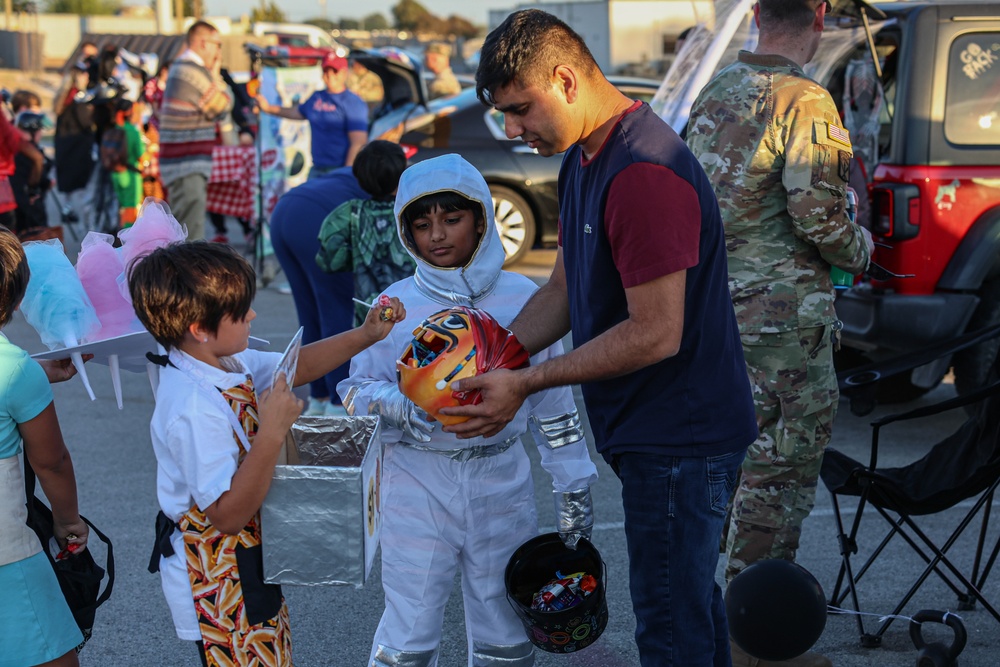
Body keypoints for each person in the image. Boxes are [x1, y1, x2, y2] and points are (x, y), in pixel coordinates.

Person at [452, 10, 758, 666]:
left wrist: (526, 381)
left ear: (565, 80)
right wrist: (492, 355)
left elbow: (656, 332)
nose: (512, 129)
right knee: (690, 607)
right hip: (652, 433)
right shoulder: (584, 159)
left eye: (519, 109)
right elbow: (565, 290)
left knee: (669, 624)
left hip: (682, 439)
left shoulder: (642, 171)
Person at [338, 153, 598, 667]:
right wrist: (402, 407)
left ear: (481, 217)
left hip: (502, 479)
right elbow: (353, 389)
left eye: (451, 219)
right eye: (421, 223)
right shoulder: (393, 306)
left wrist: (573, 486)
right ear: (405, 232)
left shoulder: (526, 299)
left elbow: (553, 400)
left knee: (504, 623)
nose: (437, 235)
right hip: (416, 483)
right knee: (409, 626)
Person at [684, 1, 874, 665]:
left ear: (758, 12)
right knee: (779, 479)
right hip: (785, 326)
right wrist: (866, 247)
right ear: (821, 14)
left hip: (716, 316)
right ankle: (755, 645)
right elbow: (820, 219)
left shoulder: (717, 90)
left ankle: (715, 621)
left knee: (731, 473)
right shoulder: (806, 100)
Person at [128, 241, 404, 667]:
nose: (253, 316)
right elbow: (226, 514)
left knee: (273, 652)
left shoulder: (223, 361)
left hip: (246, 560)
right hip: (216, 579)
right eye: (240, 312)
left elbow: (295, 367)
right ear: (200, 327)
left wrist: (366, 334)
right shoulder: (191, 407)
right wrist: (271, 432)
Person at [0, 225, 90, 667]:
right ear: (18, 300)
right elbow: (52, 461)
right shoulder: (14, 372)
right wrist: (67, 520)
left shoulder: (20, 372)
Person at [269, 168, 369, 416]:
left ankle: (318, 397)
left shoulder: (355, 172)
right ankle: (338, 401)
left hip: (284, 211)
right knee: (336, 309)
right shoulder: (397, 184)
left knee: (309, 308)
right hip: (315, 219)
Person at [316, 140, 415, 326]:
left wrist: (355, 256)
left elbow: (327, 259)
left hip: (369, 319)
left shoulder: (350, 212)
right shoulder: (414, 211)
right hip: (415, 314)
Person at [159, 20, 233, 240]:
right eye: (217, 44)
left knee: (186, 231)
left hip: (183, 163)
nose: (219, 51)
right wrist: (217, 75)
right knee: (189, 236)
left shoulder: (183, 67)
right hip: (186, 164)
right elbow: (222, 106)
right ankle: (189, 276)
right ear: (203, 43)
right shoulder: (191, 70)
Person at [255, 52, 368, 177]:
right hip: (317, 167)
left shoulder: (353, 102)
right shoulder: (317, 97)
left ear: (344, 73)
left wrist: (346, 174)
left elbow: (358, 142)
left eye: (334, 71)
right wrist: (268, 109)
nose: (329, 76)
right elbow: (297, 112)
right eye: (326, 71)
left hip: (340, 168)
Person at [104, 98, 145, 228]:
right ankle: (127, 242)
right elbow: (140, 155)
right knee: (130, 211)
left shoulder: (113, 130)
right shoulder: (133, 132)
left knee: (121, 209)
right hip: (131, 175)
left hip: (116, 174)